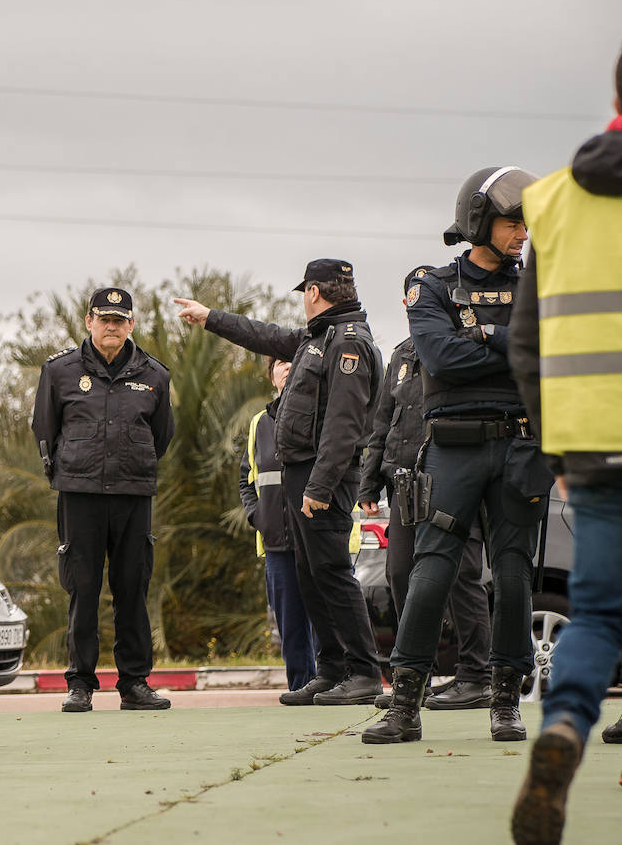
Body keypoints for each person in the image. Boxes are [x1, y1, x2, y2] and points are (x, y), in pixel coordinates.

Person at [508, 30, 622, 844]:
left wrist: (557, 442)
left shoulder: (556, 199)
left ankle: (564, 727)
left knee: (599, 615)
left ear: (618, 100)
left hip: (597, 442)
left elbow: (524, 343)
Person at [361, 165, 546, 747]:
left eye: (526, 224)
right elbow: (440, 358)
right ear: (478, 221)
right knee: (431, 572)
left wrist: (484, 338)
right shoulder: (431, 283)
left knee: (514, 577)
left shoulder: (543, 285)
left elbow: (551, 351)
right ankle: (405, 707)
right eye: (512, 222)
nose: (522, 234)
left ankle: (505, 703)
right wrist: (513, 344)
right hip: (452, 448)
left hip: (520, 445)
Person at [176, 260, 383, 706]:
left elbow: (344, 427)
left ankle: (364, 672)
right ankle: (330, 670)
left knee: (332, 574)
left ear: (313, 291)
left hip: (321, 480)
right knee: (311, 575)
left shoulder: (346, 343)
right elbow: (263, 335)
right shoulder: (317, 339)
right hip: (301, 478)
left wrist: (320, 487)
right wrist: (209, 316)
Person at [33, 287, 175, 713]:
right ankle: (80, 684)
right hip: (80, 496)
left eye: (120, 320)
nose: (111, 326)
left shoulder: (155, 375)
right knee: (83, 588)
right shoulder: (59, 371)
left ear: (131, 324)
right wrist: (69, 469)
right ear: (89, 322)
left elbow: (163, 435)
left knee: (133, 588)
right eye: (104, 319)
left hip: (133, 496)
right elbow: (44, 428)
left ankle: (134, 684)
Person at [357, 267, 493, 710]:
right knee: (400, 575)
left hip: (451, 475)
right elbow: (382, 423)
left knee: (461, 576)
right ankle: (415, 676)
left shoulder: (457, 348)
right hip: (402, 482)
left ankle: (476, 675)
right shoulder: (399, 356)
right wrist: (368, 483)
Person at [240, 356, 317, 692]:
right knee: (289, 622)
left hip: (316, 538)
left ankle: (329, 684)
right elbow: (247, 477)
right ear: (271, 375)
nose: (287, 367)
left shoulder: (321, 413)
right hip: (276, 542)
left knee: (323, 619)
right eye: (280, 363)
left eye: (293, 362)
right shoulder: (260, 423)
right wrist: (258, 516)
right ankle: (299, 686)